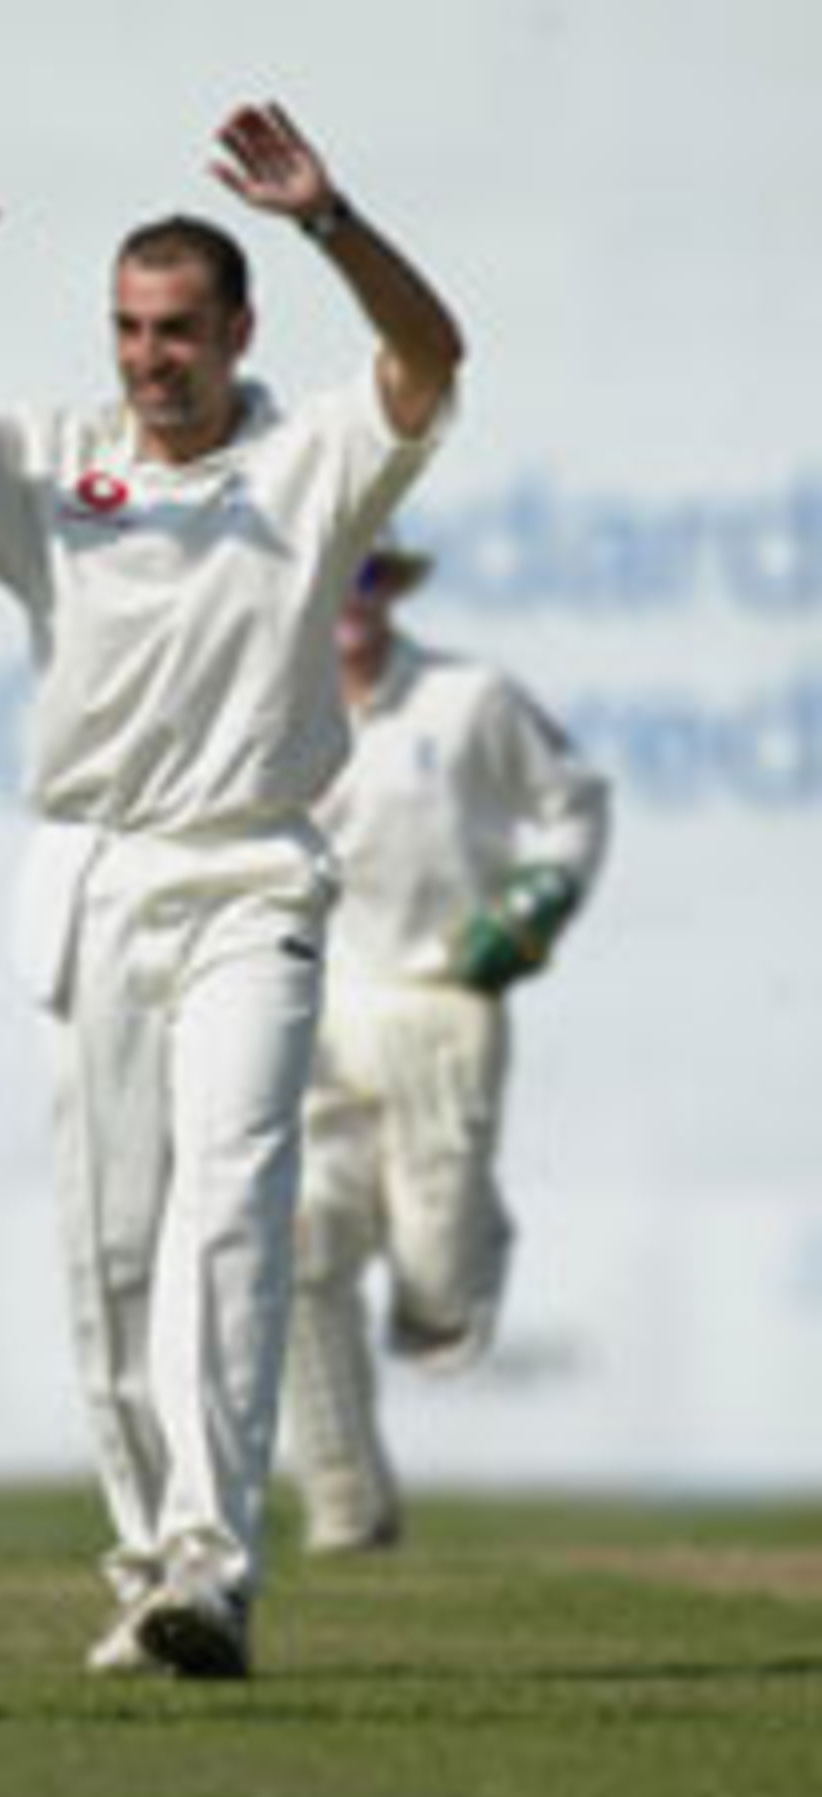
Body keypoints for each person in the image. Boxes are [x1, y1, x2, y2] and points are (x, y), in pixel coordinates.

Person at [0, 102, 463, 1679]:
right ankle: (149, 1565)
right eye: (128, 329)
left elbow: (433, 359)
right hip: (98, 876)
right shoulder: (54, 465)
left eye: (178, 330)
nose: (149, 358)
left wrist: (333, 218)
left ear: (237, 329)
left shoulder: (310, 458)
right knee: (110, 1251)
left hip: (254, 872)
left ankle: (214, 1568)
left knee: (234, 1213)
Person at [282, 543, 611, 1554]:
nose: (350, 598)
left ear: (390, 591)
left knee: (434, 1309)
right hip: (313, 1008)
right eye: (331, 576)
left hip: (440, 995)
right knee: (296, 1246)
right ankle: (343, 1499)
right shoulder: (260, 712)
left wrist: (540, 896)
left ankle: (467, 1246)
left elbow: (571, 805)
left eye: (367, 577)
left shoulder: (467, 700)